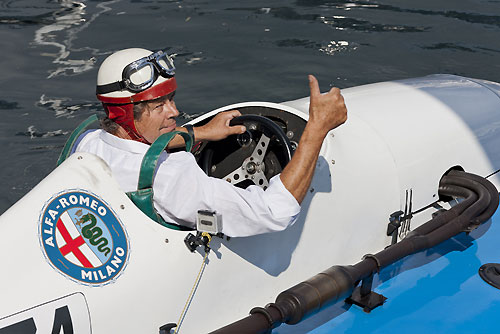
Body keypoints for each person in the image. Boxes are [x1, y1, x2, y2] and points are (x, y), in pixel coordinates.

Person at [74, 48, 347, 237]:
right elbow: (275, 213)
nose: (174, 111)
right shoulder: (171, 177)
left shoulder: (86, 143)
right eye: (159, 106)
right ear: (124, 114)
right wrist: (316, 129)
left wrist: (200, 132)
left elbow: (137, 151)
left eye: (171, 99)